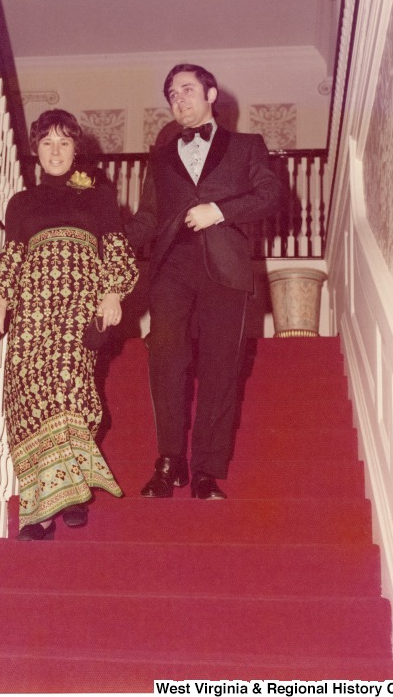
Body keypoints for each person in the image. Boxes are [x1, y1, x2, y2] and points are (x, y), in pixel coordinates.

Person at [0, 109, 138, 539]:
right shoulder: (21, 202)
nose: (56, 151)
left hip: (77, 304)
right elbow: (12, 258)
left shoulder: (97, 194)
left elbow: (114, 246)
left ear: (76, 149)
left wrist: (112, 292)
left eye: (64, 142)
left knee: (68, 389)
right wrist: (0, 304)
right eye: (47, 143)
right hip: (32, 310)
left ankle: (69, 495)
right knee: (31, 398)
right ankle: (43, 507)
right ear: (36, 152)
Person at [125, 63, 281, 500]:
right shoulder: (159, 158)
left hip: (225, 269)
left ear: (212, 95)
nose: (179, 99)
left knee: (219, 368)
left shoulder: (248, 146)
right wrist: (108, 242)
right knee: (166, 360)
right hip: (172, 265)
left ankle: (207, 471)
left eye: (187, 90)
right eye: (172, 94)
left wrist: (221, 210)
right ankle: (169, 461)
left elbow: (271, 195)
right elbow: (148, 218)